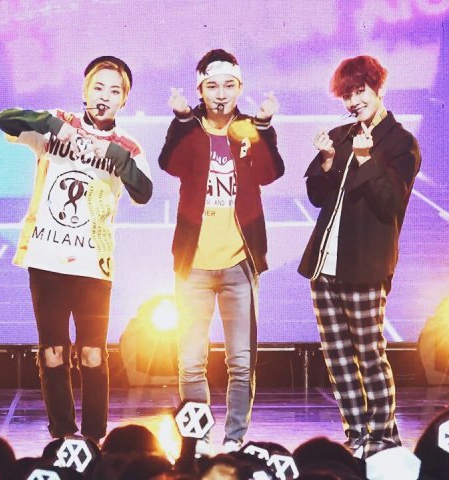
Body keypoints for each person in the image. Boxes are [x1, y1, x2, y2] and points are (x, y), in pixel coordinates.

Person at [0, 56, 153, 443]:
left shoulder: (127, 145)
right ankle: (63, 436)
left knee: (92, 355)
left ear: (124, 100)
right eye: (98, 87)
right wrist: (50, 125)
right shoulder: (57, 123)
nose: (105, 96)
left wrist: (114, 156)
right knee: (52, 352)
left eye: (114, 91)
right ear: (85, 91)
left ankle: (94, 439)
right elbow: (5, 120)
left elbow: (144, 192)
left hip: (93, 264)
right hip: (46, 258)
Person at [158, 49, 284, 454]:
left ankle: (234, 441)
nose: (221, 93)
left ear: (239, 88)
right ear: (200, 90)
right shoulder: (190, 127)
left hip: (239, 265)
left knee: (241, 363)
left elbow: (270, 173)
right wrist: (182, 119)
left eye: (229, 85)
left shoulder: (248, 127)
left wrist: (263, 126)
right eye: (212, 86)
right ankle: (196, 442)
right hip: (192, 267)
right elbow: (169, 164)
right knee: (191, 361)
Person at [298, 55, 421, 457]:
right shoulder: (341, 135)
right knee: (337, 356)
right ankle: (356, 434)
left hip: (365, 265)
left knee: (369, 354)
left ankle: (382, 437)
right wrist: (328, 160)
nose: (353, 101)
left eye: (360, 91)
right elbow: (318, 197)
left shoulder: (401, 142)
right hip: (325, 265)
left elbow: (391, 203)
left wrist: (366, 159)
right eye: (347, 95)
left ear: (378, 88)